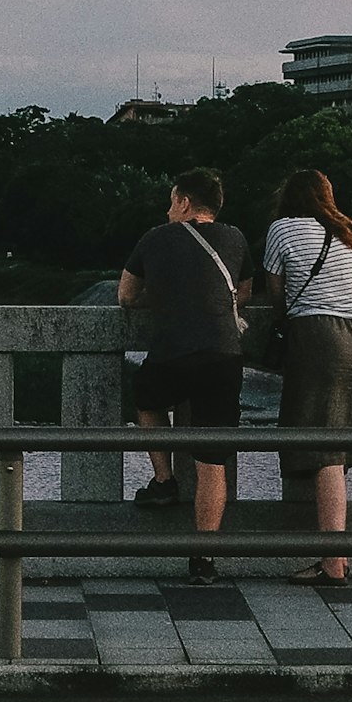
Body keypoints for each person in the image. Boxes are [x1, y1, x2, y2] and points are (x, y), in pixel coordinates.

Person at [116, 167, 247, 581]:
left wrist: (169, 297)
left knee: (147, 402)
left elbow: (125, 295)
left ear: (185, 202)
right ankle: (204, 558)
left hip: (172, 352)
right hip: (224, 355)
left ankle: (164, 478)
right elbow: (242, 293)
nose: (167, 208)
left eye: (172, 200)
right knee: (213, 460)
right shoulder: (236, 238)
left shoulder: (155, 238)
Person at [255, 167, 352, 587]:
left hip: (319, 339)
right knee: (334, 450)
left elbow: (276, 293)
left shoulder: (282, 229)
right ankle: (334, 556)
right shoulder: (349, 231)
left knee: (325, 453)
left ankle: (333, 562)